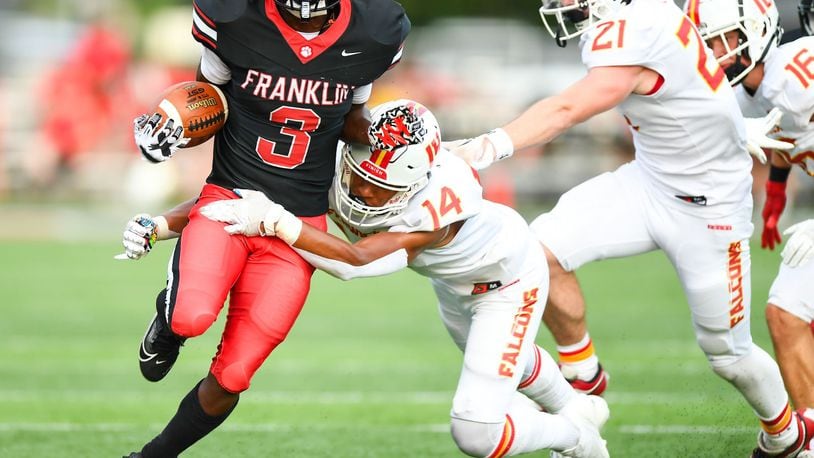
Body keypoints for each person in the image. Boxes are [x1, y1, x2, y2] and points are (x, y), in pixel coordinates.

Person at [444, 0, 813, 456]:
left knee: (728, 354)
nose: (562, 5)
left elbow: (569, 109)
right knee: (539, 250)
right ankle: (584, 379)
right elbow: (698, 88)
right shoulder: (639, 19)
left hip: (710, 205)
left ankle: (786, 436)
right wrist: (738, 130)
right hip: (650, 180)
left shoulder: (635, 29)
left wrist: (489, 145)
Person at [193, 99, 610, 458]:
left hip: (507, 282)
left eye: (381, 186)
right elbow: (230, 195)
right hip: (452, 283)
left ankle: (579, 441)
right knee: (507, 361)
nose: (363, 193)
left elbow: (353, 261)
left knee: (476, 432)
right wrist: (162, 225)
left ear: (415, 183)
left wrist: (275, 221)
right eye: (359, 174)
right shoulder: (350, 157)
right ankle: (579, 407)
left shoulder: (438, 204)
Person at [120, 0, 410, 456]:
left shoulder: (372, 31)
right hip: (229, 201)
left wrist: (386, 137)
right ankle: (168, 324)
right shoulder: (235, 16)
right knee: (190, 316)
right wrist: (172, 125)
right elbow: (207, 102)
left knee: (234, 375)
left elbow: (351, 119)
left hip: (297, 226)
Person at [689, 0, 814, 414]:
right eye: (704, 44)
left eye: (718, 40)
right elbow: (782, 133)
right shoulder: (748, 94)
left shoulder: (795, 75)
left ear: (753, 32)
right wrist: (775, 195)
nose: (711, 53)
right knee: (786, 313)